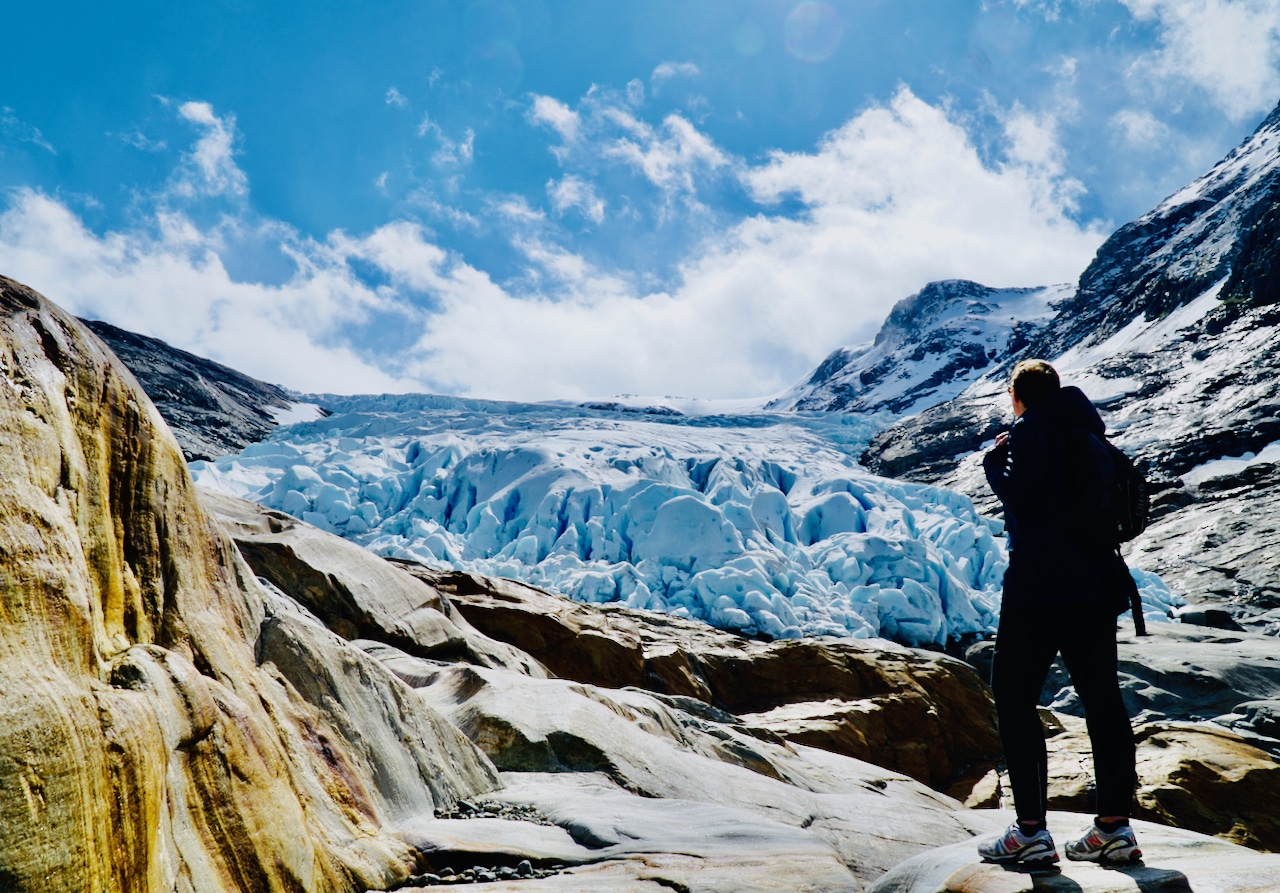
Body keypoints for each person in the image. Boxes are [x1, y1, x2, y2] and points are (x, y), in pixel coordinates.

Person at [976, 359, 1141, 868]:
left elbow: (1023, 501)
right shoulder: (1091, 437)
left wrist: (993, 467)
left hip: (1039, 589)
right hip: (1096, 586)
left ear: (1018, 396)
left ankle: (1030, 831)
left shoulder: (1031, 431)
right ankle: (1113, 829)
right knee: (1104, 703)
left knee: (1014, 698)